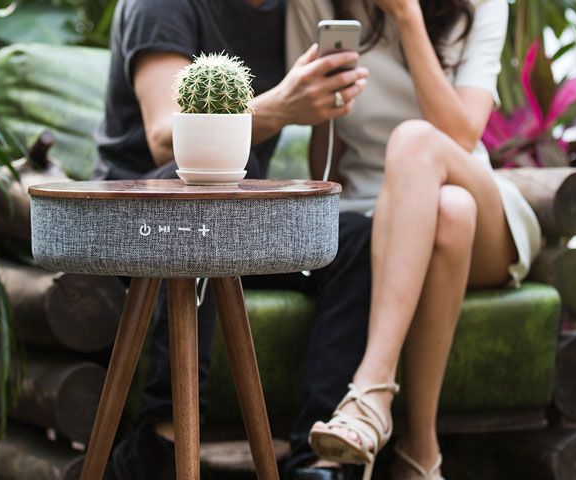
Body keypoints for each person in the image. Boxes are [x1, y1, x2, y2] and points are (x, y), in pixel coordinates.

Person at [93, 1, 375, 479]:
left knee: (355, 240)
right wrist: (282, 105)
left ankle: (320, 462)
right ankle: (162, 444)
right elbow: (165, 135)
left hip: (240, 218)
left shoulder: (294, 10)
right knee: (203, 202)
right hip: (137, 218)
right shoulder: (161, 6)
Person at [287, 0, 542, 478]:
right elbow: (328, 144)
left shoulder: (485, 4)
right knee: (450, 214)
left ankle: (371, 393)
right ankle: (421, 456)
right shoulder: (317, 3)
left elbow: (462, 132)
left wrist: (407, 16)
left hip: (472, 188)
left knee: (416, 143)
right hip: (380, 208)